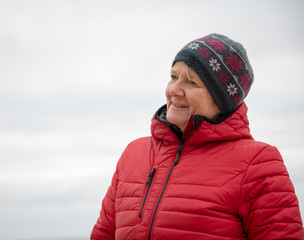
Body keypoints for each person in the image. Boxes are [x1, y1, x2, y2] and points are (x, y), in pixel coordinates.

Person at [90, 33, 304, 239]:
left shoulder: (258, 163)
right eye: (173, 77)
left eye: (191, 83)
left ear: (221, 99)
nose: (174, 90)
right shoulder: (133, 153)